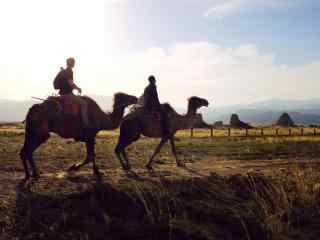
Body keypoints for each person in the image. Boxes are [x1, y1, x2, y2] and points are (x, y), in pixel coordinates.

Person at [53, 57, 91, 128]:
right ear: (72, 63)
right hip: (68, 95)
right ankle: (85, 124)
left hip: (61, 95)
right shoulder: (69, 71)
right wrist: (78, 88)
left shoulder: (63, 71)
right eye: (74, 63)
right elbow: (71, 83)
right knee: (84, 104)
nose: (74, 64)